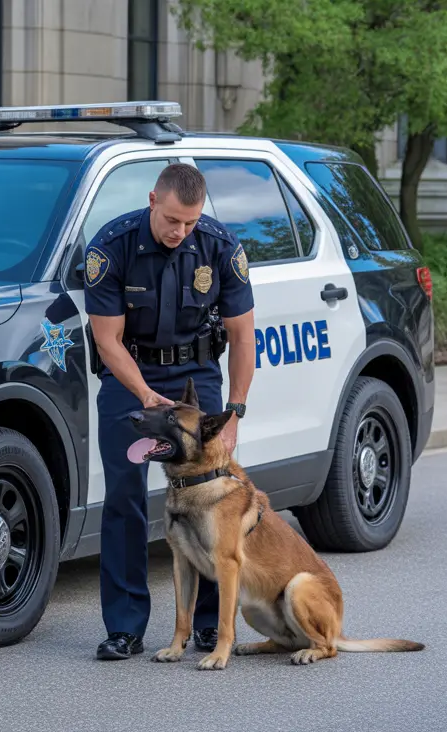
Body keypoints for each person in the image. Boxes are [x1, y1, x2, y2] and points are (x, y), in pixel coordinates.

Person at [84, 162, 257, 660]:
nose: (181, 232)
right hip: (129, 374)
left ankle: (207, 627)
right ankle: (125, 626)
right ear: (153, 200)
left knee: (209, 496)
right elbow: (107, 340)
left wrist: (236, 412)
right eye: (173, 220)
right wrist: (142, 393)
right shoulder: (111, 247)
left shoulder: (219, 246)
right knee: (124, 495)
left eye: (191, 222)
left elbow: (243, 336)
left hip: (195, 377)